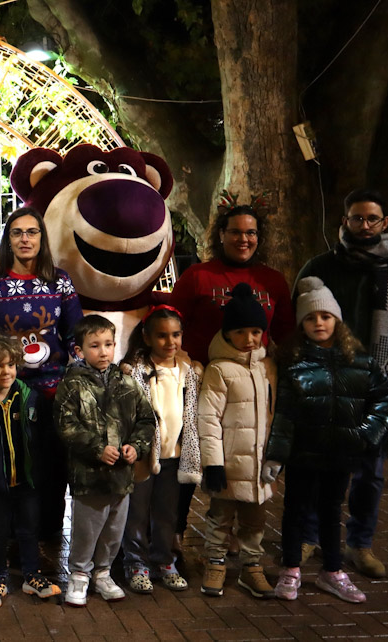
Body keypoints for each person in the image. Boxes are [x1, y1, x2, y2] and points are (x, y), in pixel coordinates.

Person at [294, 189, 388, 577]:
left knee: (370, 471)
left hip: (378, 386)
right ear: (345, 221)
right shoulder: (322, 266)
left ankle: (360, 544)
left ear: (384, 223)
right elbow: (298, 317)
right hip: (329, 381)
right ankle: (309, 536)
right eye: (357, 218)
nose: (364, 225)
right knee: (322, 466)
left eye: (372, 219)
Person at [168, 199, 294, 553]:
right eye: (235, 232)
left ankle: (233, 532)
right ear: (221, 235)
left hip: (249, 387)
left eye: (250, 233)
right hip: (199, 381)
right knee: (192, 455)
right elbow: (170, 322)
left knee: (243, 456)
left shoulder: (271, 280)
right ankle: (175, 529)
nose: (243, 239)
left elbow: (285, 334)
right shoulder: (198, 276)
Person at [267, 278, 388, 603]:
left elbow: (383, 398)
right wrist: (276, 455)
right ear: (302, 324)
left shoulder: (360, 362)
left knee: (331, 510)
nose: (319, 323)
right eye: (310, 318)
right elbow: (284, 414)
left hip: (341, 453)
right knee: (295, 510)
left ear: (337, 320)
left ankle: (332, 571)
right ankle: (291, 569)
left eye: (325, 316)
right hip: (303, 454)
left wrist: (365, 433)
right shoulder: (294, 364)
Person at [0, 206, 83, 539]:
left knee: (54, 466)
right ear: (8, 240)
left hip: (54, 392)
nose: (25, 239)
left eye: (32, 232)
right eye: (17, 233)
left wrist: (80, 375)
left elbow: (76, 334)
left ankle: (50, 532)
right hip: (9, 394)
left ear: (42, 238)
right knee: (14, 467)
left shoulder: (60, 281)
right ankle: (17, 536)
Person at [54, 315, 154, 607]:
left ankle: (103, 573)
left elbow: (146, 420)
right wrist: (97, 449)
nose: (103, 352)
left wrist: (136, 447)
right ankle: (79, 574)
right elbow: (66, 425)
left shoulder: (127, 383)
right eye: (94, 345)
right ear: (79, 350)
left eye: (108, 344)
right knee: (87, 528)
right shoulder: (72, 384)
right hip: (89, 475)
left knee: (113, 529)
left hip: (121, 476)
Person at [0, 333, 62, 609]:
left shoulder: (31, 397)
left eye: (10, 364)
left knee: (29, 528)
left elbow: (44, 437)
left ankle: (32, 575)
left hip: (28, 481)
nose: (6, 371)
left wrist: (42, 470)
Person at [196, 283, 278, 599]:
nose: (249, 339)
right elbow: (208, 419)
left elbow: (273, 415)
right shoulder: (219, 370)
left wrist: (275, 454)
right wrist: (213, 464)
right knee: (220, 518)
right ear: (228, 333)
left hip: (259, 466)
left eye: (255, 331)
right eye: (241, 332)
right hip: (229, 465)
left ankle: (251, 567)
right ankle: (215, 562)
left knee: (255, 522)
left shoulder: (266, 367)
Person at [120, 305, 202, 594]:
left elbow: (190, 413)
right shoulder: (134, 372)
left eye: (176, 335)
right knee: (137, 513)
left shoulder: (189, 371)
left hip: (174, 456)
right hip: (143, 456)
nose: (170, 342)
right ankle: (136, 563)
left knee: (167, 513)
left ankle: (164, 561)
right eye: (162, 336)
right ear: (147, 337)